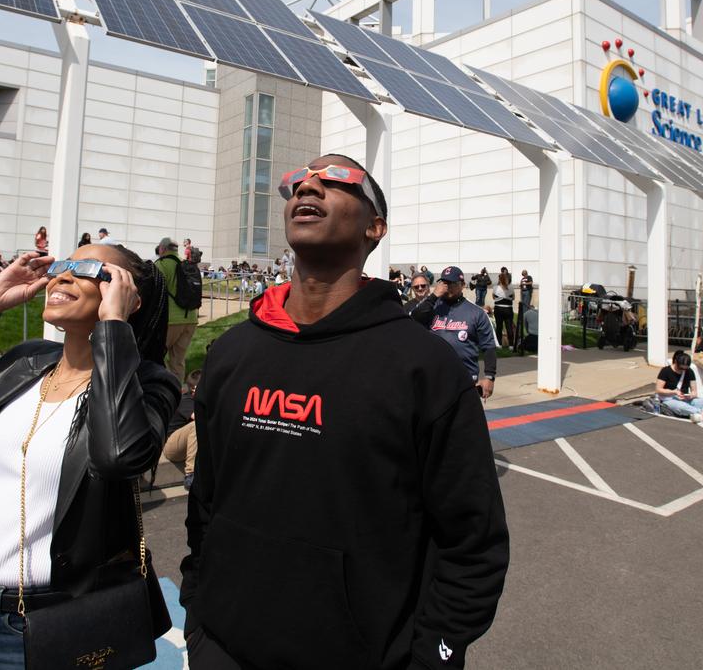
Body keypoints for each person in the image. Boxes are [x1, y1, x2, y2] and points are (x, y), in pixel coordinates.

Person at [180, 154, 508, 668]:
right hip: (221, 646)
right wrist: (199, 613)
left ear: (374, 227)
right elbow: (206, 500)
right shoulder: (232, 354)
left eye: (335, 180)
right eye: (298, 182)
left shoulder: (423, 366)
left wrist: (433, 657)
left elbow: (473, 539)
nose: (307, 187)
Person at [0, 246, 180, 665]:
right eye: (62, 265)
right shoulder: (25, 361)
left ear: (127, 294)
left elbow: (119, 456)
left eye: (86, 268)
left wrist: (114, 326)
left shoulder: (148, 384)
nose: (63, 275)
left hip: (53, 622)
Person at [408, 266, 499, 399]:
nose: (447, 287)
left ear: (462, 285)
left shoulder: (476, 313)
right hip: (435, 378)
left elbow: (489, 347)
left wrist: (490, 377)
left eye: (452, 283)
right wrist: (433, 296)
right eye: (444, 283)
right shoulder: (431, 306)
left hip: (465, 379)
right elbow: (414, 318)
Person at [155, 236, 199, 381]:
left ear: (162, 249)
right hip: (191, 318)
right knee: (178, 360)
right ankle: (177, 388)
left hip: (170, 319)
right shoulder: (185, 264)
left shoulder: (161, 264)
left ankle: (161, 387)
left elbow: (155, 290)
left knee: (155, 356)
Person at [655, 351, 703, 423]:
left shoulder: (689, 371)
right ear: (675, 362)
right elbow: (658, 390)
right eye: (680, 368)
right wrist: (674, 392)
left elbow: (694, 392)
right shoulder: (665, 371)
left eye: (685, 369)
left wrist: (690, 396)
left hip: (687, 399)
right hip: (669, 399)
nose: (682, 370)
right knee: (682, 407)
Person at [163, 370, 201, 490]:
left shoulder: (200, 401)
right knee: (197, 425)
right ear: (194, 389)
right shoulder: (186, 400)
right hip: (172, 447)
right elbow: (201, 418)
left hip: (189, 447)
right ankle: (191, 474)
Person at [492, 271, 515, 348]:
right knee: (509, 326)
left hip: (498, 308)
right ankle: (511, 345)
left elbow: (493, 297)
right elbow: (513, 298)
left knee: (499, 326)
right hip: (508, 309)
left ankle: (499, 344)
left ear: (499, 279)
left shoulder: (495, 287)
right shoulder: (511, 287)